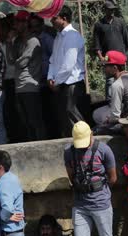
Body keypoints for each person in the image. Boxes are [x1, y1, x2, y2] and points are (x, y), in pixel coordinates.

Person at [64, 121, 118, 236]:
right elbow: (71, 177)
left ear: (91, 135)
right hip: (80, 206)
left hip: (101, 205)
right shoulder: (69, 152)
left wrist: (98, 190)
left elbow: (113, 178)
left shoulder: (104, 150)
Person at [48, 6, 88, 138]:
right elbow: (53, 60)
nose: (51, 21)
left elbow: (68, 65)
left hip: (72, 83)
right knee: (64, 118)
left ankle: (86, 143)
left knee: (73, 115)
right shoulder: (58, 37)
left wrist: (56, 81)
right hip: (60, 83)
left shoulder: (72, 36)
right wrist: (50, 78)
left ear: (64, 19)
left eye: (54, 18)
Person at [7, 11, 44, 141]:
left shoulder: (33, 41)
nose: (15, 25)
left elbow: (21, 63)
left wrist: (16, 58)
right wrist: (9, 42)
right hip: (19, 86)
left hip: (30, 87)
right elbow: (11, 60)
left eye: (17, 22)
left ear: (25, 24)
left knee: (34, 122)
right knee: (26, 123)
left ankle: (40, 147)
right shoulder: (17, 41)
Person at [92, 50, 128, 132]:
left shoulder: (117, 84)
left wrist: (108, 120)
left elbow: (115, 117)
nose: (103, 68)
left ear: (115, 68)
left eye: (106, 66)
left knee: (97, 116)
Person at [94, 1, 128, 95]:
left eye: (113, 9)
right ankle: (111, 105)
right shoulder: (99, 25)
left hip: (121, 59)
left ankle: (123, 106)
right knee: (110, 84)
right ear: (105, 10)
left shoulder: (120, 22)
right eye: (109, 9)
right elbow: (97, 45)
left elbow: (127, 40)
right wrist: (101, 58)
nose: (112, 11)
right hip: (109, 61)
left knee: (123, 82)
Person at [30, 14, 58, 139]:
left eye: (36, 26)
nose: (34, 29)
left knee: (51, 111)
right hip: (38, 81)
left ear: (41, 25)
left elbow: (54, 58)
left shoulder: (46, 39)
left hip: (48, 80)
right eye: (32, 26)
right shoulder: (32, 40)